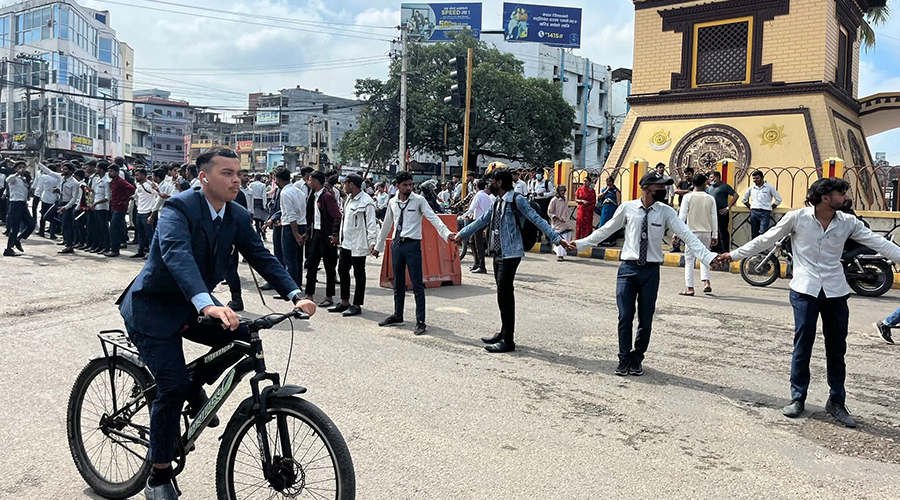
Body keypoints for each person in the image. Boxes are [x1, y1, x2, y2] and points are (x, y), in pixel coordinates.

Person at [117, 147, 316, 499]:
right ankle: (159, 475)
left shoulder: (236, 215)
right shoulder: (178, 208)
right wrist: (207, 304)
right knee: (172, 387)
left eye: (238, 172)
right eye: (227, 172)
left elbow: (260, 255)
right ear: (203, 177)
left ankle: (195, 385)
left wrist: (294, 293)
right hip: (153, 309)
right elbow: (177, 255)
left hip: (196, 306)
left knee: (242, 338)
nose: (236, 179)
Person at [719, 178, 900, 428]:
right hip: (805, 289)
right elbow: (766, 239)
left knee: (837, 349)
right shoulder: (798, 218)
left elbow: (878, 243)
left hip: (835, 291)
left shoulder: (848, 222)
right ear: (825, 198)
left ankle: (836, 402)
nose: (845, 197)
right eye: (841, 193)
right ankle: (797, 398)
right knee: (802, 345)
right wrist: (734, 255)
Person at [573, 171, 717, 376]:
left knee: (646, 318)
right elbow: (604, 230)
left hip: (650, 270)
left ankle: (637, 357)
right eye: (659, 187)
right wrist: (578, 244)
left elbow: (687, 234)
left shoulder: (665, 212)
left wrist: (709, 257)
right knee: (625, 316)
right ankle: (623, 358)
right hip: (628, 270)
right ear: (647, 187)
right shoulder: (627, 208)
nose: (663, 191)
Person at [452, 169, 568, 352]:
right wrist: (461, 235)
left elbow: (537, 219)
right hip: (497, 252)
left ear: (499, 183)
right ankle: (504, 332)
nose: (489, 183)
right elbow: (482, 220)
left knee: (505, 294)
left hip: (511, 253)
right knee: (501, 294)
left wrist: (556, 238)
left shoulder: (517, 200)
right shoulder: (497, 201)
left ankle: (508, 340)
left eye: (492, 180)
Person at [373, 171, 456, 336]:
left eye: (410, 184)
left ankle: (421, 321)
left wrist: (447, 234)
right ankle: (398, 315)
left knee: (417, 284)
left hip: (412, 245)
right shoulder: (392, 202)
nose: (409, 188)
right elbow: (387, 225)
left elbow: (433, 218)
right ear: (397, 186)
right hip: (397, 245)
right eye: (405, 185)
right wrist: (378, 246)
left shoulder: (418, 200)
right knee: (398, 283)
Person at [329, 174, 378, 316]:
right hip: (346, 243)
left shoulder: (366, 202)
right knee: (342, 270)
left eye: (345, 183)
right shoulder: (349, 199)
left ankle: (356, 304)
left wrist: (372, 242)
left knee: (359, 274)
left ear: (351, 184)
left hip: (359, 244)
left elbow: (371, 224)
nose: (343, 186)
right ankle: (345, 301)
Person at [303, 171, 342, 306]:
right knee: (311, 264)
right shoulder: (313, 195)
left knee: (329, 266)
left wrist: (335, 233)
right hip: (316, 234)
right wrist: (308, 232)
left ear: (315, 182)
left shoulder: (327, 196)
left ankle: (329, 296)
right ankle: (309, 294)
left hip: (327, 235)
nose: (308, 182)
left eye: (310, 180)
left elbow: (337, 216)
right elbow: (313, 217)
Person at [678, 173, 718, 296]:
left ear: (693, 184)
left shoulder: (688, 197)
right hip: (706, 232)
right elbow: (714, 218)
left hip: (691, 233)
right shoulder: (710, 198)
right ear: (705, 184)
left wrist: (676, 233)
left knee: (690, 260)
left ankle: (689, 288)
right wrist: (714, 235)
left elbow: (682, 216)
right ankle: (706, 282)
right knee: (705, 257)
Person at [275, 167, 307, 299]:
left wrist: (295, 234)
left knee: (289, 260)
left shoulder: (285, 193)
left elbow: (291, 215)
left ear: (277, 179)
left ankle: (291, 290)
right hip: (302, 225)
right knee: (298, 259)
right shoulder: (299, 192)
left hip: (291, 228)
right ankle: (297, 286)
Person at [38, 162, 79, 254]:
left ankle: (69, 245)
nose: (63, 171)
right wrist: (39, 164)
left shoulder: (74, 183)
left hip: (67, 205)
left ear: (71, 171)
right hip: (59, 202)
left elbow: (74, 198)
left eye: (65, 169)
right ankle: (62, 228)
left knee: (66, 225)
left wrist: (66, 207)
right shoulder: (61, 177)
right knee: (47, 216)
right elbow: (49, 172)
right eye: (62, 168)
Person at [2, 161, 34, 256]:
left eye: (23, 167)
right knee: (14, 228)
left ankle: (18, 239)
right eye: (20, 167)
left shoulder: (24, 179)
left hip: (23, 204)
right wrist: (17, 173)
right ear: (16, 168)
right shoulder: (13, 178)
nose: (22, 169)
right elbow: (8, 180)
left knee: (31, 224)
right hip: (15, 204)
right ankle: (8, 249)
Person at [105, 165, 135, 258]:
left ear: (117, 172)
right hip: (114, 206)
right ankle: (116, 246)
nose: (110, 173)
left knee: (114, 227)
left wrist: (124, 199)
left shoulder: (121, 181)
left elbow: (131, 189)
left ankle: (115, 249)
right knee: (117, 226)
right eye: (109, 171)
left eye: (112, 171)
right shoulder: (112, 182)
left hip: (120, 207)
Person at [742, 170, 782, 238]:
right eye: (754, 178)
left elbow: (779, 199)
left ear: (762, 178)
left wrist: (771, 207)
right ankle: (754, 248)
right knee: (754, 233)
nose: (755, 180)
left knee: (763, 233)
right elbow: (744, 200)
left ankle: (762, 248)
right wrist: (751, 207)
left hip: (765, 213)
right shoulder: (751, 188)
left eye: (757, 178)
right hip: (754, 212)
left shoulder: (769, 187)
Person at [464, 179, 492, 273]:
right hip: (485, 221)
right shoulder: (487, 196)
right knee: (472, 242)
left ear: (476, 186)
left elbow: (471, 208)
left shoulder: (478, 195)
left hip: (478, 222)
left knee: (478, 244)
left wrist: (465, 216)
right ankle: (477, 263)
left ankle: (482, 266)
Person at [707, 170, 738, 252]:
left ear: (716, 178)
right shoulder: (710, 188)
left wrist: (728, 207)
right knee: (714, 231)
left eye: (711, 177)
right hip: (712, 213)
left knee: (722, 231)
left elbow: (735, 195)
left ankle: (725, 250)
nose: (710, 179)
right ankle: (715, 248)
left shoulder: (724, 186)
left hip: (722, 213)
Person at [133, 167, 157, 259]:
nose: (136, 177)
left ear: (143, 175)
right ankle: (140, 251)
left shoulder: (149, 185)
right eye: (135, 175)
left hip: (147, 212)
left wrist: (152, 212)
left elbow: (157, 195)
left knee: (150, 234)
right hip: (140, 211)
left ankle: (151, 253)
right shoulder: (139, 185)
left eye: (137, 175)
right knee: (141, 233)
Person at [87, 162, 110, 254]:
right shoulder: (95, 179)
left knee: (103, 228)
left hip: (102, 207)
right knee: (96, 228)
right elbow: (94, 192)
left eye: (97, 167)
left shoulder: (107, 181)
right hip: (95, 207)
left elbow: (107, 197)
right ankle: (98, 245)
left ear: (102, 169)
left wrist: (96, 203)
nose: (95, 169)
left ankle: (106, 246)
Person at [670, 167, 695, 253]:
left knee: (690, 228)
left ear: (692, 174)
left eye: (689, 174)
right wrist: (688, 191)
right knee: (678, 227)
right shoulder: (682, 182)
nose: (687, 175)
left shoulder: (695, 183)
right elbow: (676, 191)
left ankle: (690, 246)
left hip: (691, 209)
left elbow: (694, 193)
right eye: (686, 174)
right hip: (681, 208)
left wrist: (683, 192)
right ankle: (676, 246)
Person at [548, 184, 572, 261]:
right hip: (558, 222)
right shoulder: (554, 200)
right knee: (561, 238)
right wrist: (555, 217)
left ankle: (559, 251)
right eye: (561, 191)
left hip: (566, 221)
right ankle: (560, 255)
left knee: (567, 237)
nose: (562, 192)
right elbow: (550, 212)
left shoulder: (565, 199)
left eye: (563, 191)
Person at [36, 162, 59, 239]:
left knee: (43, 215)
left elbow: (40, 187)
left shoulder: (44, 177)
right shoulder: (57, 178)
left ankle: (41, 231)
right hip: (54, 198)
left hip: (45, 197)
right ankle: (52, 233)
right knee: (53, 216)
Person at [597, 176, 621, 246]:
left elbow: (618, 202)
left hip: (612, 209)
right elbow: (600, 197)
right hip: (605, 209)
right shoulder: (604, 190)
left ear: (612, 182)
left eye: (609, 181)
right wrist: (606, 191)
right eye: (607, 181)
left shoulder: (616, 191)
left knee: (610, 224)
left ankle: (610, 240)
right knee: (603, 224)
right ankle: (601, 239)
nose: (608, 183)